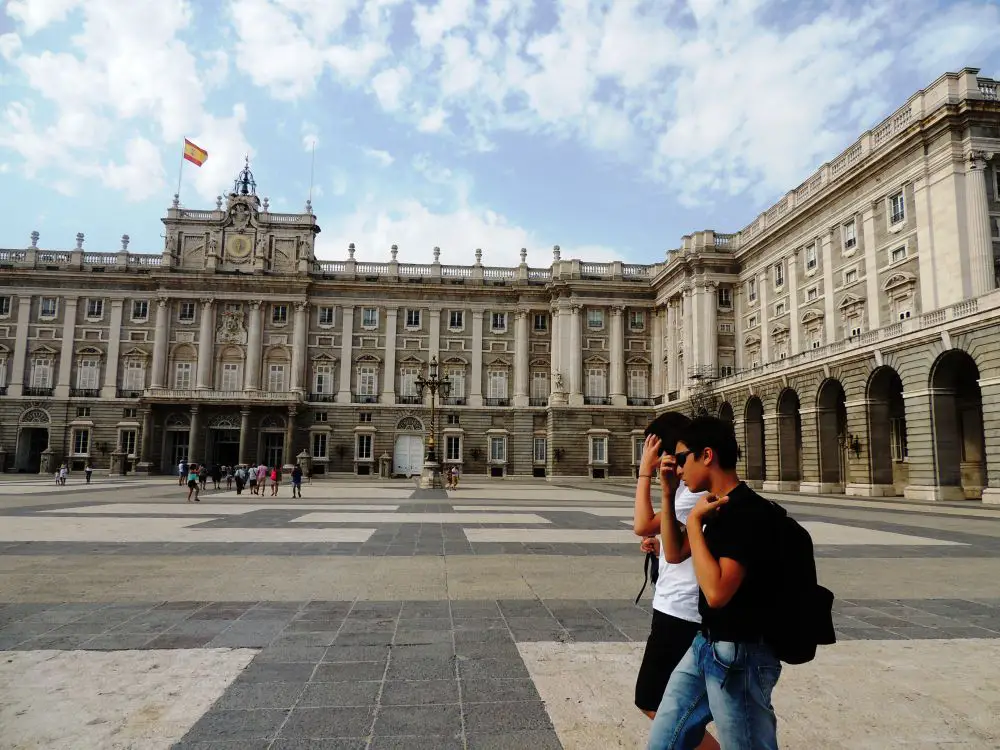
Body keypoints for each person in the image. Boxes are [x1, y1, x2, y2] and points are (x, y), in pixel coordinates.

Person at [647, 416, 783, 750]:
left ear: (706, 455)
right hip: (705, 644)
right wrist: (666, 495)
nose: (677, 469)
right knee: (664, 741)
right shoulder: (715, 508)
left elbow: (717, 592)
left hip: (741, 653)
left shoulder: (748, 513)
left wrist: (693, 522)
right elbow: (676, 553)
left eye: (681, 459)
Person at [632, 413, 719, 750]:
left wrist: (644, 471)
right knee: (669, 703)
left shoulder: (688, 492)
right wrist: (660, 548)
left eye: (655, 449)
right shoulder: (686, 489)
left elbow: (642, 523)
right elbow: (679, 543)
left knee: (652, 699)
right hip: (677, 606)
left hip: (680, 610)